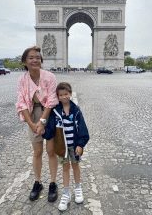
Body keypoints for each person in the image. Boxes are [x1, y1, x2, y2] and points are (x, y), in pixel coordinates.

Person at [16, 46, 59, 202]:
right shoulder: (22, 79)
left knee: (51, 151)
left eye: (38, 57)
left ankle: (53, 183)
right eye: (31, 57)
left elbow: (52, 101)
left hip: (50, 114)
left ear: (41, 60)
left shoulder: (50, 77)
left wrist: (41, 121)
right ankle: (38, 182)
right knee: (37, 152)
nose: (35, 60)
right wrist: (32, 124)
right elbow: (21, 103)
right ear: (24, 61)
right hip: (32, 114)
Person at [43, 82, 89, 211]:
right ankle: (67, 193)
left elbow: (82, 128)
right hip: (62, 147)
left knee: (75, 166)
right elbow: (51, 129)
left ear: (70, 94)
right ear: (57, 97)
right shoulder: (55, 111)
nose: (63, 97)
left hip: (74, 145)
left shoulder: (77, 110)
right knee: (65, 168)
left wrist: (81, 144)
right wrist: (44, 132)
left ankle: (78, 188)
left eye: (66, 94)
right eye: (60, 95)